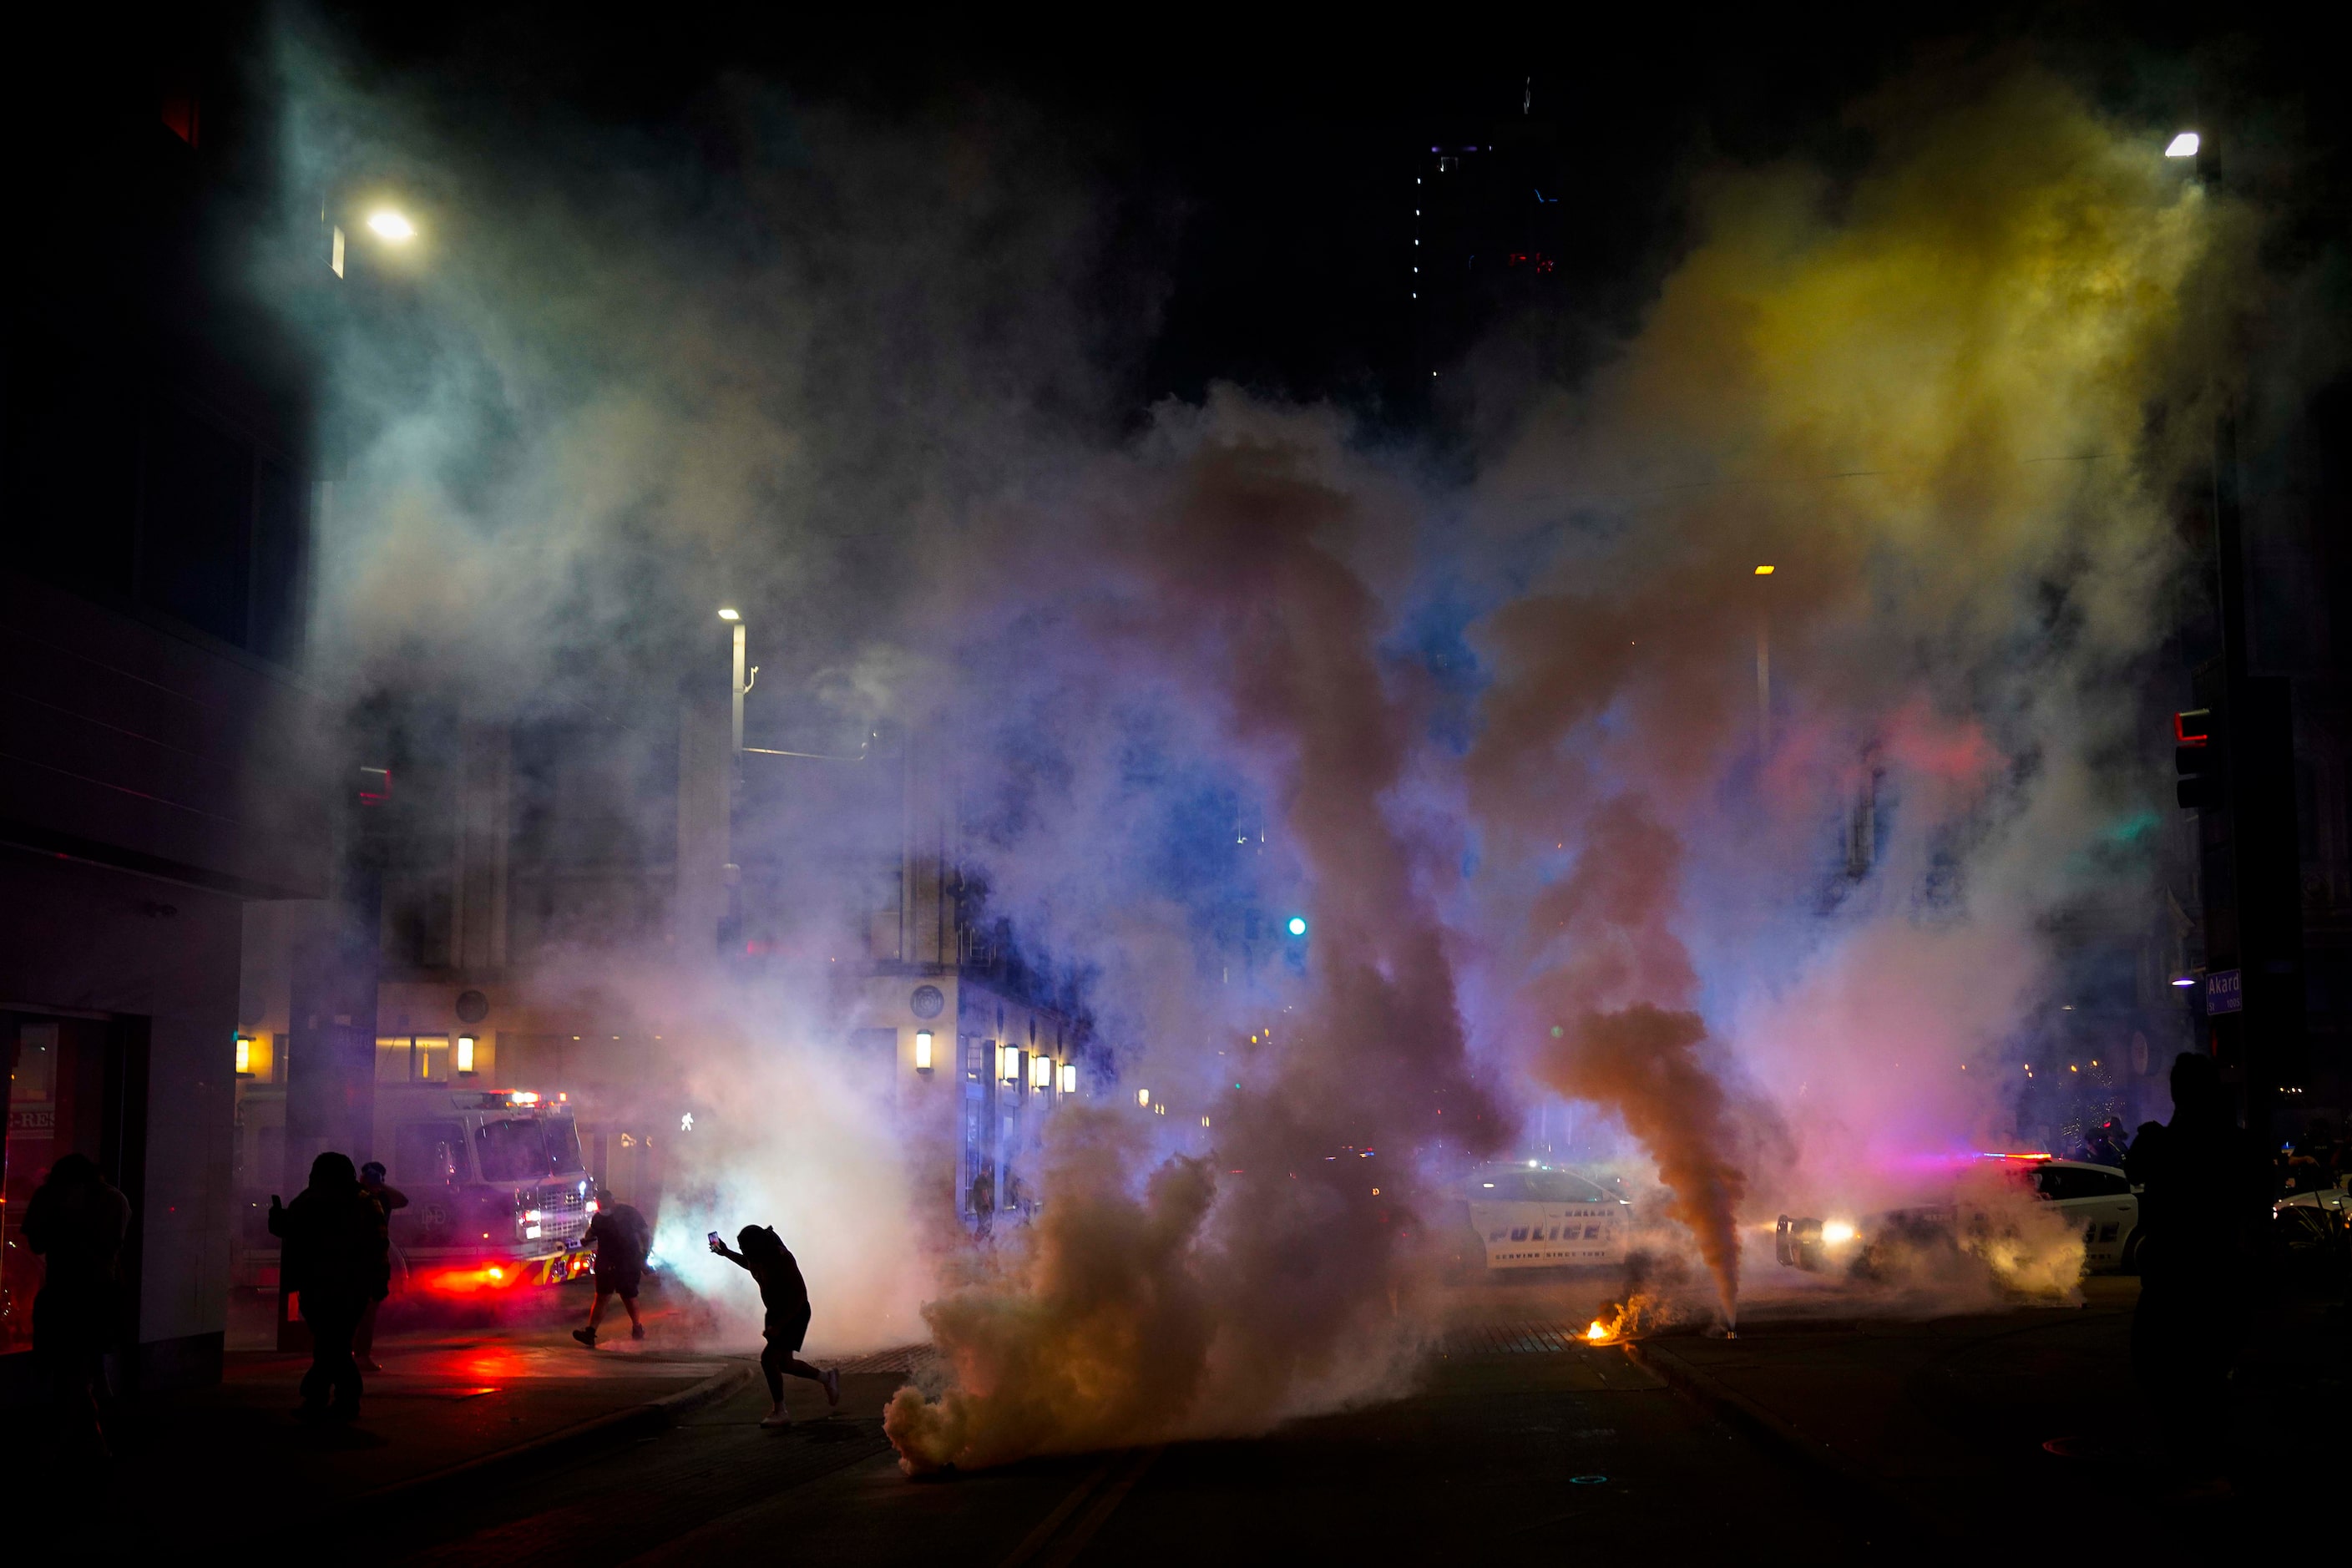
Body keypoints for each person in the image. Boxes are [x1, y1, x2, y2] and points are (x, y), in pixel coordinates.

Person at [2123, 1052, 2271, 1493]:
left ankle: (2193, 1463)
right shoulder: (2239, 1146)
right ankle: (2206, 1462)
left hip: (2173, 1278)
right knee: (2206, 1373)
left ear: (2177, 1094)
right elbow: (2258, 1207)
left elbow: (2136, 1168)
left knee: (2162, 1368)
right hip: (2221, 1276)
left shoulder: (2160, 1141)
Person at [23, 1153, 132, 1455]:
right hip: (102, 1292)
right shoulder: (115, 1199)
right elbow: (115, 1245)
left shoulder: (51, 1196)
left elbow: (36, 1243)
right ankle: (96, 1427)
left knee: (68, 1367)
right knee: (90, 1361)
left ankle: (84, 1434)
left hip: (63, 1291)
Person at [269, 1152, 387, 1424]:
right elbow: (380, 1246)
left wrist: (277, 1220)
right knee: (333, 1344)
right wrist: (379, 1282)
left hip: (318, 1285)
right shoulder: (366, 1203)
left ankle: (329, 1398)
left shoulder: (308, 1201)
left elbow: (289, 1229)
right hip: (350, 1287)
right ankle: (328, 1398)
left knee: (330, 1344)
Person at [709, 1225, 839, 1426]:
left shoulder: (782, 1259)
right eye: (741, 1248)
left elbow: (800, 1297)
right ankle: (827, 1378)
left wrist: (780, 1325)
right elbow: (749, 1264)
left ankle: (780, 1411)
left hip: (793, 1313)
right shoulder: (756, 1256)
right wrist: (726, 1253)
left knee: (768, 1359)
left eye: (745, 1248)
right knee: (785, 1364)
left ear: (757, 1245)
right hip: (776, 1313)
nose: (744, 1252)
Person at [573, 1191, 651, 1348]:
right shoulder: (599, 1218)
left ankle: (637, 1328)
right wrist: (586, 1239)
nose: (602, 1208)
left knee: (628, 1297)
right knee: (602, 1297)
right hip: (605, 1262)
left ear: (612, 1200)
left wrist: (644, 1255)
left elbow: (645, 1234)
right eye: (600, 1204)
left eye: (604, 1204)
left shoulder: (629, 1213)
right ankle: (590, 1333)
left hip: (627, 1261)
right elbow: (592, 1231)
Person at [353, 1160, 408, 1372]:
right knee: (355, 1310)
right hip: (356, 1262)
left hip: (375, 1262)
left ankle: (361, 1354)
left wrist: (380, 1186)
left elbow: (403, 1200)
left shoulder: (383, 1199)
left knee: (369, 1310)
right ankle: (355, 1354)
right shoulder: (355, 1197)